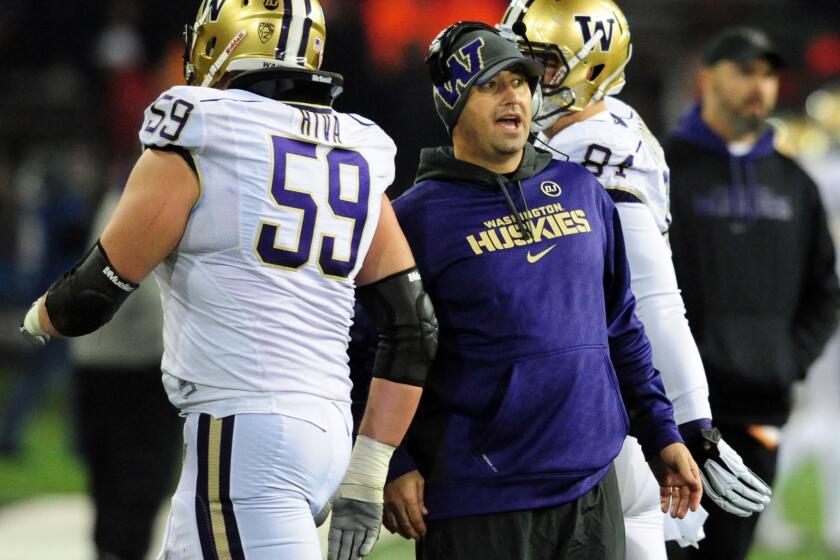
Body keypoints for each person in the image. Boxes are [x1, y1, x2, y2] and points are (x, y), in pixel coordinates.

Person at [19, 2, 438, 559]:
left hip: (245, 433)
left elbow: (88, 301)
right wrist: (369, 466)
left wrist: (37, 317)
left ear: (222, 42)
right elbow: (413, 324)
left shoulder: (201, 131)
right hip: (327, 429)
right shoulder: (354, 149)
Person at [350, 21, 703, 560]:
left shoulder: (584, 192)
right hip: (478, 499)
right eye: (492, 84)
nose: (514, 95)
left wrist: (663, 434)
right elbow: (366, 351)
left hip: (590, 488)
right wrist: (393, 464)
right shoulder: (413, 220)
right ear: (453, 99)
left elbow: (621, 328)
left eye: (521, 81)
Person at [497, 1, 772, 558]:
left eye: (541, 64)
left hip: (604, 415)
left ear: (591, 70)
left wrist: (694, 424)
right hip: (587, 404)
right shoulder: (595, 124)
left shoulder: (595, 152)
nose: (523, 81)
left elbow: (655, 300)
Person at [663, 26, 840, 560]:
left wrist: (785, 361)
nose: (758, 86)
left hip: (759, 406)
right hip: (673, 414)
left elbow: (825, 291)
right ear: (707, 77)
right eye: (743, 71)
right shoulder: (663, 169)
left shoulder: (793, 182)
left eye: (766, 74)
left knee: (732, 552)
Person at [69, 185, 181, 560]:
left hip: (98, 360)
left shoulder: (118, 195)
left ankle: (110, 550)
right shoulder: (149, 194)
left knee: (111, 473)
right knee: (139, 475)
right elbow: (137, 288)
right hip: (137, 365)